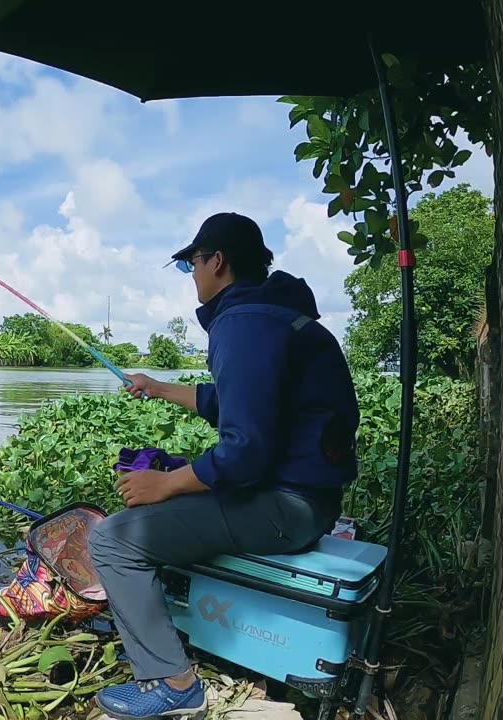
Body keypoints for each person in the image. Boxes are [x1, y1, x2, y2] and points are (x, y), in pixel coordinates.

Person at [90, 212, 360, 720]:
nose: (191, 274)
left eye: (191, 263)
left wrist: (167, 485)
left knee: (112, 540)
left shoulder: (242, 322)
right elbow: (234, 401)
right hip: (314, 500)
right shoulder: (277, 314)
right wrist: (159, 387)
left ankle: (173, 684)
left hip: (286, 509)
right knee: (166, 495)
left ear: (216, 261)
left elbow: (245, 451)